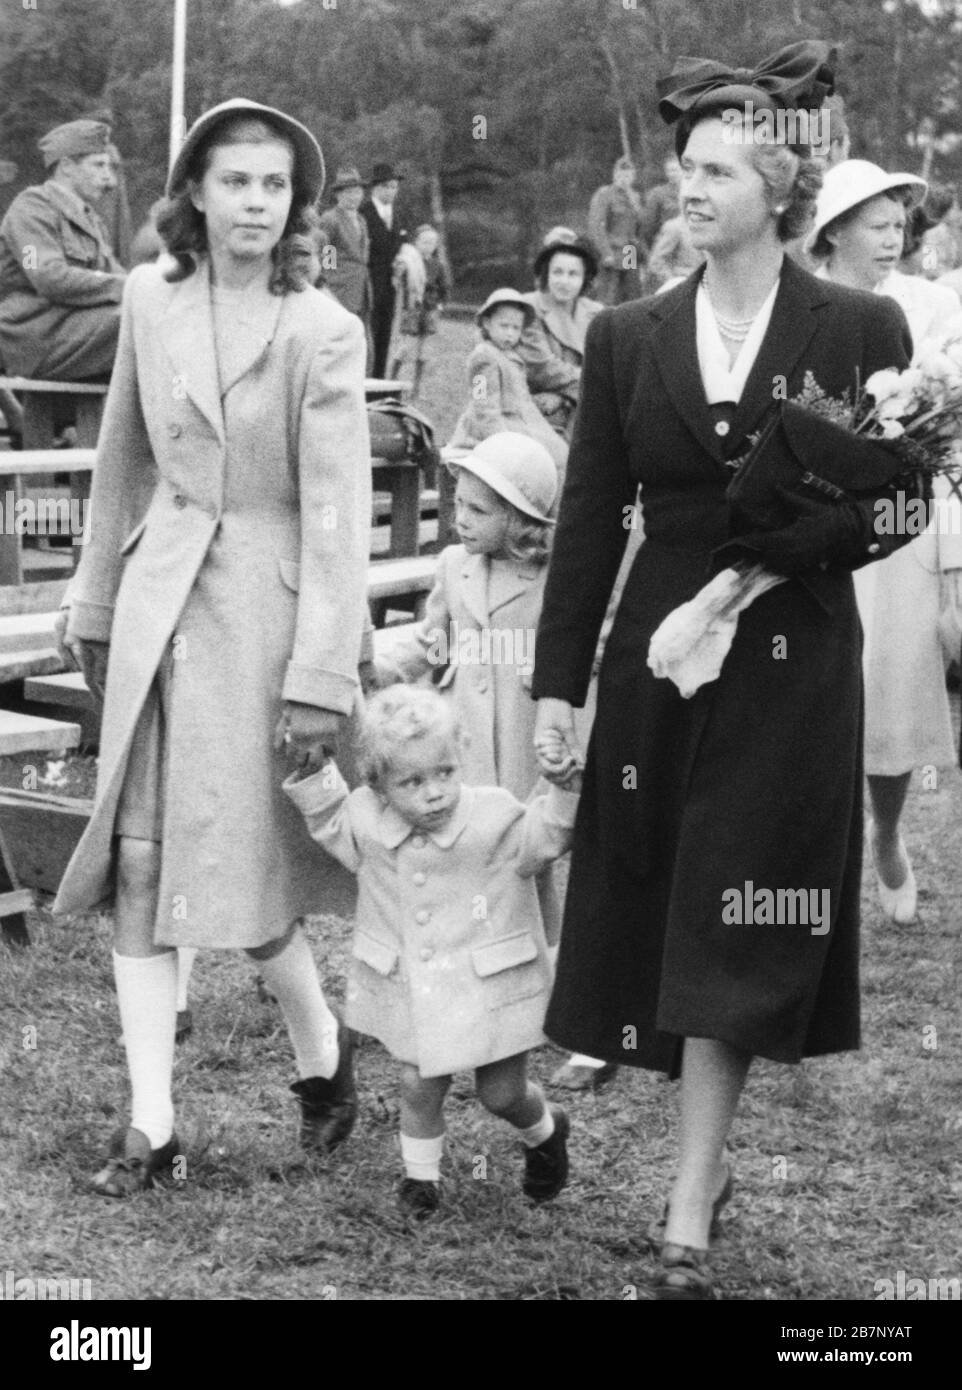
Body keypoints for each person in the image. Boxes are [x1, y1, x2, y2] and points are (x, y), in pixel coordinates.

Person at [531, 40, 916, 1300]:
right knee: (659, 901)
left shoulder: (858, 323)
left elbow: (899, 512)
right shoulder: (625, 331)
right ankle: (695, 1163)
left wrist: (775, 555)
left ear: (776, 185)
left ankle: (690, 1189)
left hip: (790, 660)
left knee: (732, 909)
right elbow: (589, 517)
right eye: (680, 168)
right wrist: (555, 688)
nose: (682, 189)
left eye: (710, 169)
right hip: (658, 661)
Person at [52, 98, 372, 1196]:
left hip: (265, 625)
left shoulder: (322, 329)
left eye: (273, 186)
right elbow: (118, 457)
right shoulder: (149, 297)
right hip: (157, 605)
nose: (254, 203)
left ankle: (323, 1053)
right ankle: (153, 1124)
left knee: (245, 884)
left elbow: (336, 515)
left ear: (294, 205)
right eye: (235, 181)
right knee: (143, 862)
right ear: (194, 190)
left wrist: (323, 674)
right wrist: (94, 604)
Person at [283, 683, 580, 1218]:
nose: (435, 792)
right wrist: (312, 770)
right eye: (412, 781)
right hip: (416, 990)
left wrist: (566, 790)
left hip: (489, 987)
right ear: (378, 785)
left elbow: (547, 836)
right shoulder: (366, 820)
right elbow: (329, 819)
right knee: (418, 1084)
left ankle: (546, 1129)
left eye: (444, 772)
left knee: (501, 1095)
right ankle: (422, 1182)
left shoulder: (493, 816)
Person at [806, 158, 962, 923]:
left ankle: (888, 835)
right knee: (816, 694)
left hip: (904, 532)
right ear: (833, 230)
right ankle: (821, 861)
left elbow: (952, 432)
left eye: (901, 224)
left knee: (893, 692)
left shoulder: (933, 307)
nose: (894, 238)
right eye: (877, 225)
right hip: (818, 522)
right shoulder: (798, 302)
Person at [0, 119, 125, 379]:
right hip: (31, 337)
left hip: (71, 330)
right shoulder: (29, 210)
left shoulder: (91, 221)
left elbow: (117, 276)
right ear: (67, 166)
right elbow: (45, 275)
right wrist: (132, 286)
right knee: (138, 321)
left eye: (109, 166)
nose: (109, 178)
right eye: (98, 165)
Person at [446, 290, 568, 473]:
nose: (510, 334)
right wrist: (503, 446)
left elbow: (519, 397)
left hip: (520, 423)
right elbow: (483, 407)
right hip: (492, 431)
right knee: (548, 461)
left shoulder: (511, 357)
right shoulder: (483, 358)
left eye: (516, 328)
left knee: (561, 453)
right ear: (487, 323)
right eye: (504, 326)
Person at [518, 227, 603, 440]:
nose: (564, 281)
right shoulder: (529, 307)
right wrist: (595, 381)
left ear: (585, 279)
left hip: (580, 402)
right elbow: (542, 369)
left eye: (573, 274)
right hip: (533, 406)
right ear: (546, 274)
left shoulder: (596, 312)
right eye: (557, 272)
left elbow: (609, 366)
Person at [388, 223, 451, 395]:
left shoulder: (438, 265)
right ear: (416, 242)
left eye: (432, 243)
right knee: (405, 347)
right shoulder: (409, 261)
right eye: (424, 242)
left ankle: (416, 387)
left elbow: (444, 287)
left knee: (424, 351)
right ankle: (390, 382)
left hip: (429, 310)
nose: (428, 246)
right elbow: (399, 281)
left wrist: (439, 304)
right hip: (412, 309)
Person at [360, 160, 407, 377]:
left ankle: (378, 380)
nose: (392, 191)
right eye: (387, 186)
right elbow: (331, 247)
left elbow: (399, 246)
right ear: (375, 188)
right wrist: (333, 272)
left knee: (385, 334)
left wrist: (401, 262)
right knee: (364, 333)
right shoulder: (361, 213)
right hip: (365, 282)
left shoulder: (396, 216)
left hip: (390, 284)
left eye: (394, 187)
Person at [587, 156, 647, 306]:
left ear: (633, 177)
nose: (624, 179)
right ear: (614, 175)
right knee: (608, 297)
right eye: (620, 175)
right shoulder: (604, 194)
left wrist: (636, 205)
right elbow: (597, 225)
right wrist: (605, 253)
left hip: (629, 251)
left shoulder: (634, 197)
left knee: (631, 296)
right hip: (612, 250)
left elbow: (639, 228)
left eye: (628, 176)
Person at [317, 165, 372, 322]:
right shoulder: (331, 219)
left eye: (357, 192)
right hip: (339, 290)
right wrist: (331, 286)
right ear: (338, 195)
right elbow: (327, 260)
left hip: (361, 289)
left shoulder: (361, 220)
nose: (354, 197)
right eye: (349, 192)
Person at [641, 154, 683, 245]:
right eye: (669, 171)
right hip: (668, 242)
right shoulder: (658, 194)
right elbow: (648, 225)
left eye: (675, 170)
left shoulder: (691, 192)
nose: (672, 174)